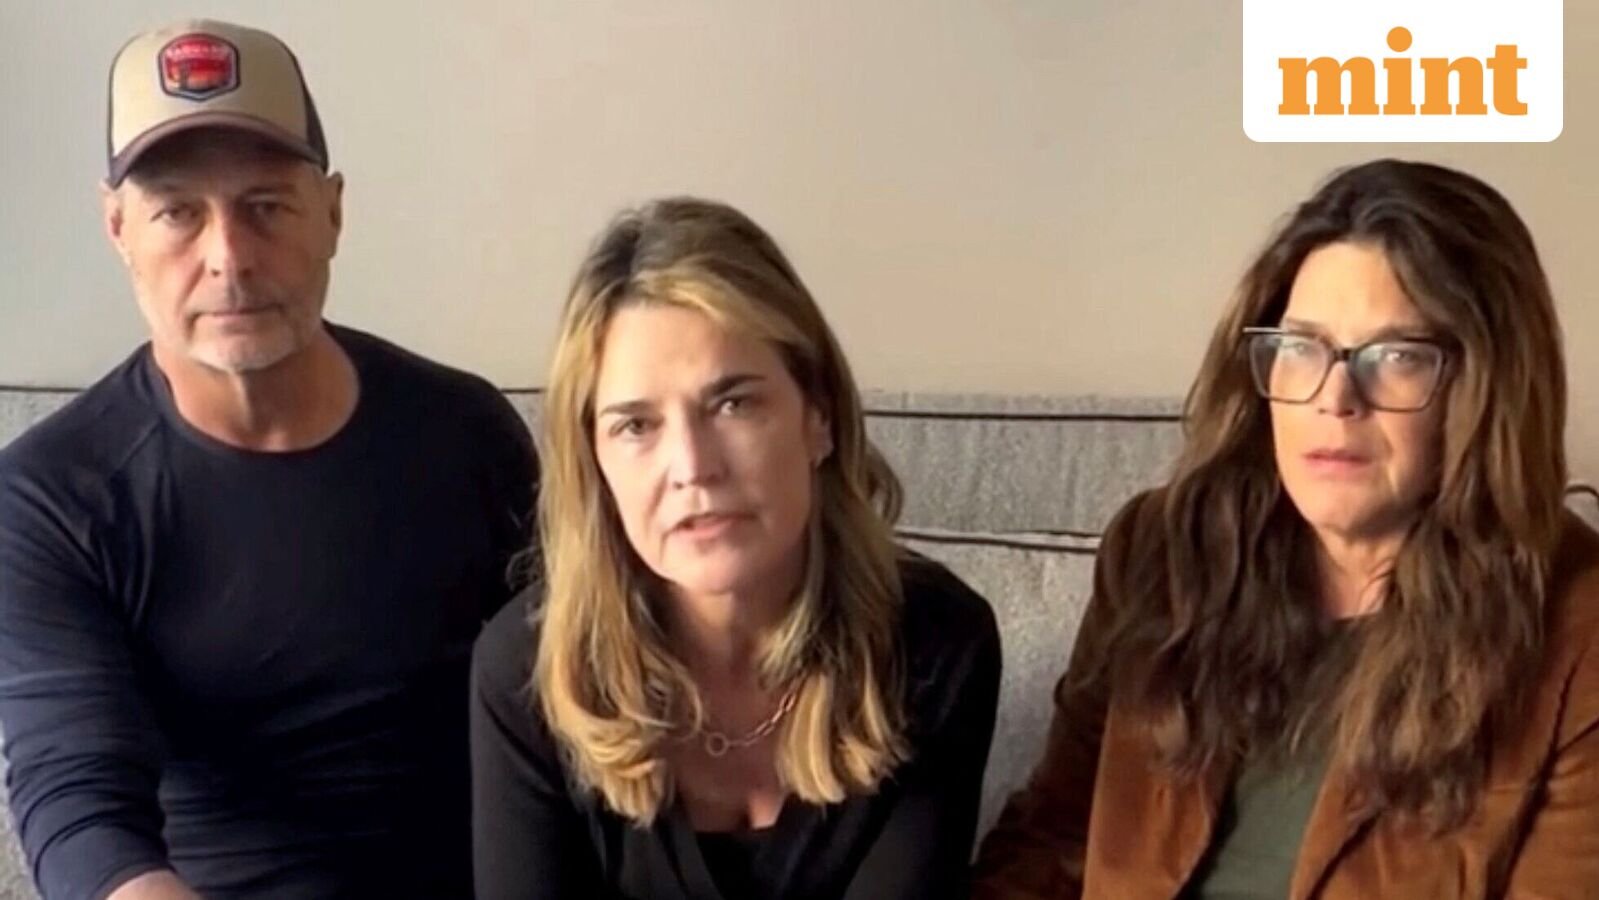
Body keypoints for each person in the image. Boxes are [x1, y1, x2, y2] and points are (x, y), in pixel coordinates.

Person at [0, 20, 537, 900]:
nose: (229, 258)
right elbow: (79, 803)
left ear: (332, 212)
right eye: (178, 213)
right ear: (117, 227)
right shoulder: (51, 499)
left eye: (266, 206)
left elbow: (577, 702)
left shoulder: (467, 429)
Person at [972, 159, 1599, 898]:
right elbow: (1050, 841)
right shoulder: (1162, 552)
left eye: (1396, 356)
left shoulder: (1578, 633)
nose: (1335, 398)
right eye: (1301, 347)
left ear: (1486, 388)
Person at [470, 197, 1001, 899]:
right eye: (636, 426)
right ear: (593, 461)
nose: (692, 467)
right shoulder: (528, 672)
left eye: (733, 403)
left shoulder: (937, 644)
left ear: (818, 418)